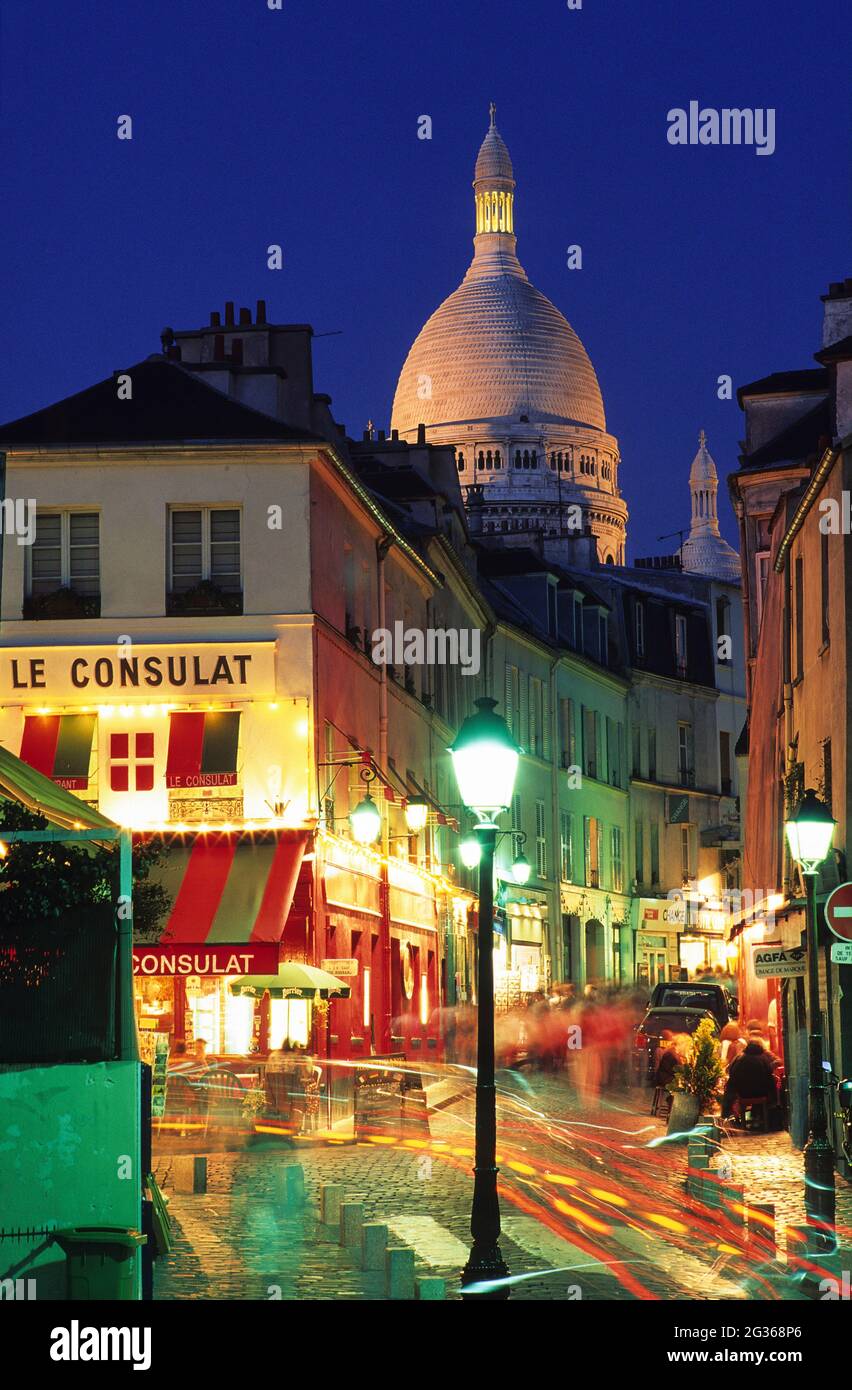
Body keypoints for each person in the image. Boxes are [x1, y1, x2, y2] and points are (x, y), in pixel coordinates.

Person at [722, 1041, 777, 1120]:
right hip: (760, 1093)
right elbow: (769, 1073)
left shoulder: (739, 1058)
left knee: (731, 1083)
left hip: (743, 1093)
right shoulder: (763, 1058)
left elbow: (731, 1073)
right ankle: (763, 1115)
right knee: (770, 1080)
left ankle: (726, 1114)